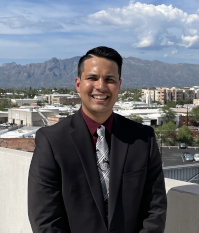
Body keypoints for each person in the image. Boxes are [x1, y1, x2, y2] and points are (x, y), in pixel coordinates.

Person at [28, 46, 167, 233]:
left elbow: (155, 209)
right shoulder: (52, 141)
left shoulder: (143, 139)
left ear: (119, 85)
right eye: (92, 78)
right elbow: (45, 219)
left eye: (109, 79)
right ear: (78, 84)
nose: (101, 86)